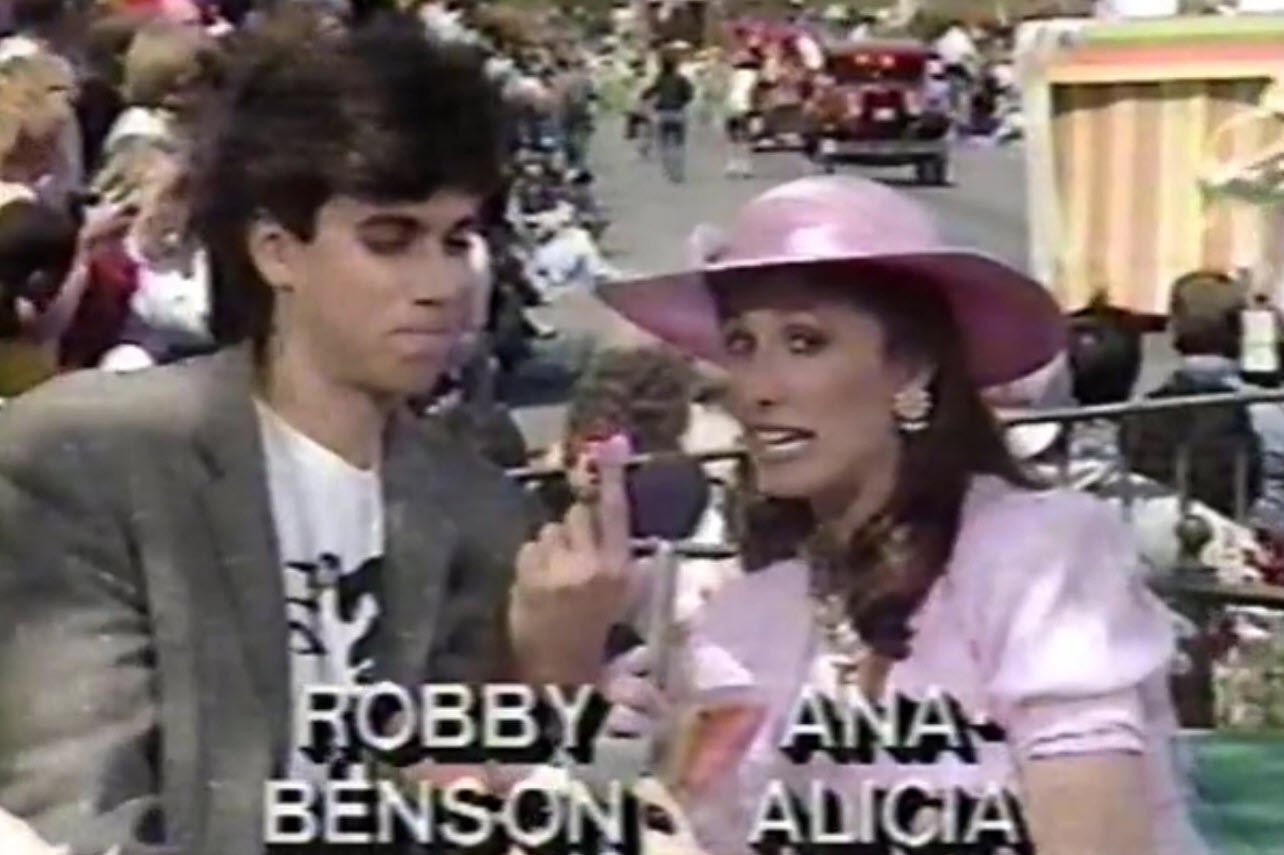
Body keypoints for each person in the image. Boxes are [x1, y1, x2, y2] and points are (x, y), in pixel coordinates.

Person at [0, 26, 635, 854]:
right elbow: (76, 810)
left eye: (457, 239)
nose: (441, 283)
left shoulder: (481, 510)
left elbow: (484, 807)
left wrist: (554, 678)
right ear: (276, 251)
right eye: (390, 239)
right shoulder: (93, 456)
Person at [594, 175, 1208, 855]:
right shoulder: (751, 619)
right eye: (741, 345)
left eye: (804, 342)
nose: (757, 389)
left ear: (911, 368)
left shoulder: (1038, 556)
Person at [642, 50, 694, 183]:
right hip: (678, 112)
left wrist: (646, 98)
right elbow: (690, 95)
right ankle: (678, 172)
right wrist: (682, 101)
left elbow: (649, 92)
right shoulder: (682, 79)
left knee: (664, 144)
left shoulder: (660, 79)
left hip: (662, 113)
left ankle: (668, 170)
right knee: (679, 144)